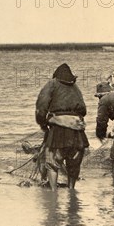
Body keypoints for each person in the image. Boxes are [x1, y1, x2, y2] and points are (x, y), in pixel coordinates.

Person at [35, 63, 88, 191]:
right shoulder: (76, 88)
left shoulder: (52, 84)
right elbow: (83, 110)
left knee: (52, 163)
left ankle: (53, 193)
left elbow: (41, 107)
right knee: (74, 165)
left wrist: (43, 124)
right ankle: (71, 191)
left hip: (58, 132)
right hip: (78, 133)